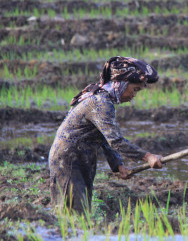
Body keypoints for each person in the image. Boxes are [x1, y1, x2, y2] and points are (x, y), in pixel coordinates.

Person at [48, 56, 162, 214]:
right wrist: (147, 156)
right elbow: (116, 141)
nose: (134, 95)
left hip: (80, 160)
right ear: (121, 83)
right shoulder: (101, 103)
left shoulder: (103, 100)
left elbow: (105, 139)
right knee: (73, 216)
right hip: (69, 162)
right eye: (135, 89)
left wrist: (117, 165)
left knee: (80, 213)